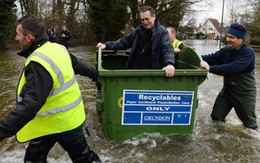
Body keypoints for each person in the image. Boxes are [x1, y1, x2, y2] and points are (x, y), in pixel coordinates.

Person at [0, 15, 100, 163]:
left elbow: (30, 104)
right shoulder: (58, 48)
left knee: (82, 158)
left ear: (29, 37)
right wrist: (95, 74)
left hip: (62, 124)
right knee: (37, 158)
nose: (16, 38)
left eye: (18, 34)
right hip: (57, 122)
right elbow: (78, 64)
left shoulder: (38, 63)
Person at [200, 23, 257, 130]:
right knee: (216, 118)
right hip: (227, 91)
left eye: (232, 37)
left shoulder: (248, 53)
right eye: (227, 36)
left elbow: (233, 68)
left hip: (244, 93)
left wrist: (210, 68)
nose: (228, 39)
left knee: (250, 125)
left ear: (241, 39)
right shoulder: (226, 50)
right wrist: (195, 57)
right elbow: (211, 58)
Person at [96, 5, 175, 77]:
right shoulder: (137, 31)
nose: (145, 22)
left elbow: (167, 49)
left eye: (147, 19)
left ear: (154, 17)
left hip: (153, 73)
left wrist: (169, 64)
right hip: (136, 71)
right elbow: (122, 42)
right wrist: (106, 45)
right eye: (142, 20)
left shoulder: (162, 32)